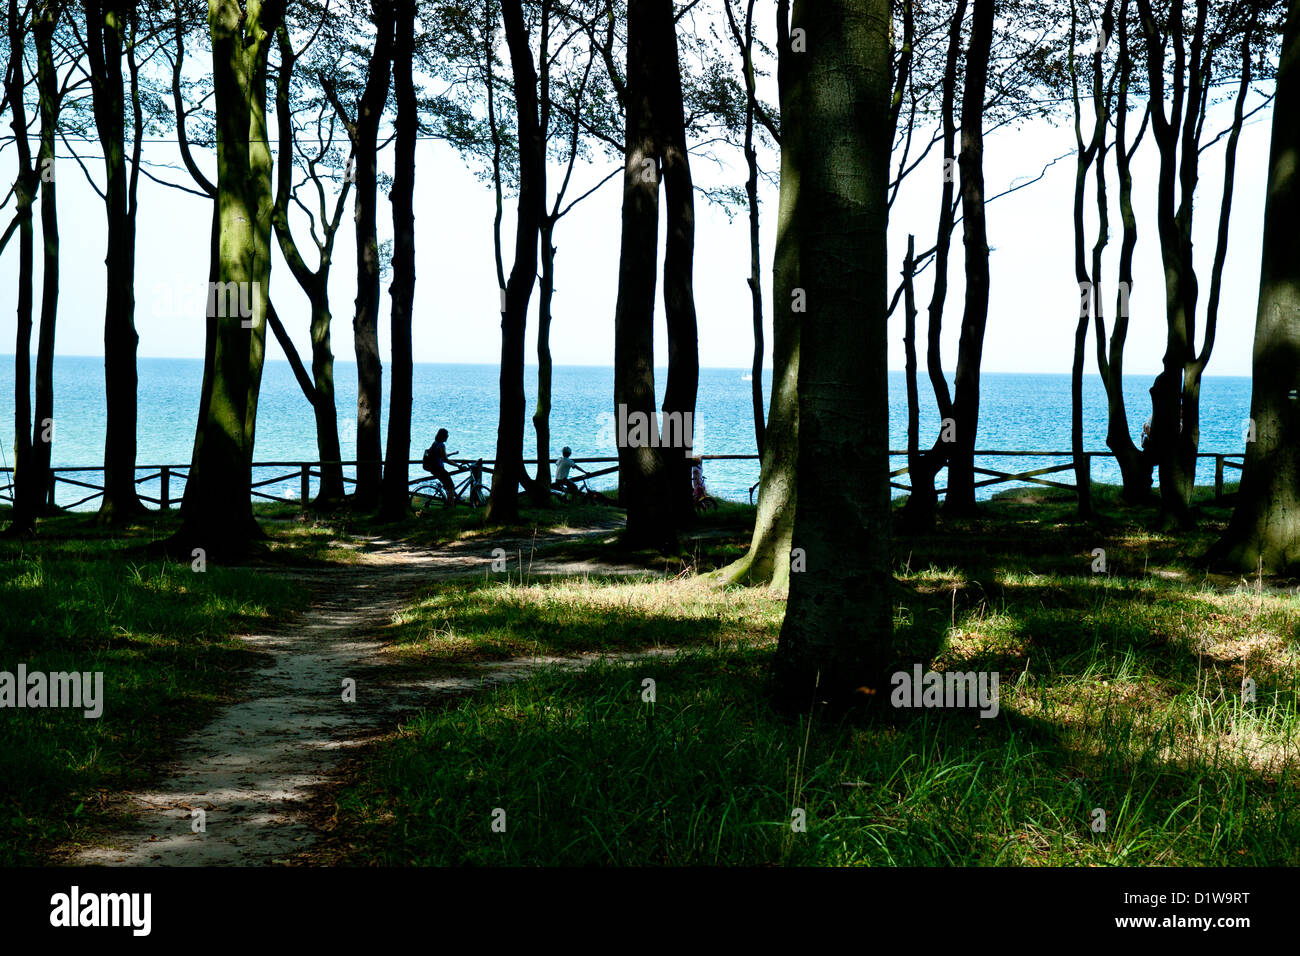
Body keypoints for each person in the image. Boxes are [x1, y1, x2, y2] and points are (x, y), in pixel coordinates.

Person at [422, 428, 456, 507]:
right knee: (451, 486)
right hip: (439, 469)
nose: (448, 436)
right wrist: (457, 465)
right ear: (443, 436)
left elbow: (440, 455)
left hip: (434, 469)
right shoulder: (441, 445)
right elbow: (445, 459)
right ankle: (451, 506)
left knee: (447, 486)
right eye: (447, 435)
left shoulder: (435, 443)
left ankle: (448, 504)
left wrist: (453, 453)